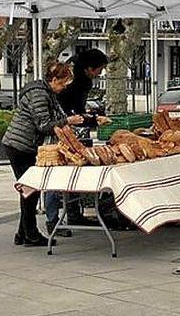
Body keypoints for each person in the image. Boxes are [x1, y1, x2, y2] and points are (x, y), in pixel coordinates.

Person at [3, 62, 83, 247]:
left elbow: (54, 117)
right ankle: (30, 234)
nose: (63, 88)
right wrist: (67, 121)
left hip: (25, 145)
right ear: (53, 79)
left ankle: (23, 233)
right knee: (30, 191)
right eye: (63, 84)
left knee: (29, 190)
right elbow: (44, 124)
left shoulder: (47, 92)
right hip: (20, 146)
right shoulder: (39, 94)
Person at [45, 49, 110, 236]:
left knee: (74, 174)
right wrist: (89, 119)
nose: (100, 74)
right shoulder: (71, 83)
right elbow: (67, 113)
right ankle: (52, 220)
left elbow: (78, 110)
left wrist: (91, 119)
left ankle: (73, 213)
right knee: (55, 177)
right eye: (100, 69)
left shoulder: (83, 81)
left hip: (72, 129)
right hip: (59, 132)